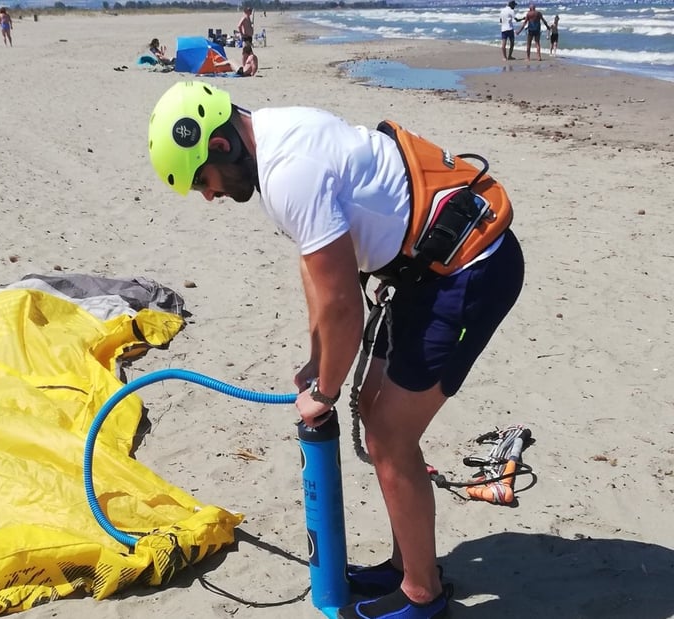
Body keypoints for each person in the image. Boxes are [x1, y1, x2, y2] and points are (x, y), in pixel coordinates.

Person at [147, 81, 525, 619]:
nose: (208, 196)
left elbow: (346, 305)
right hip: (425, 269)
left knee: (391, 434)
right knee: (373, 409)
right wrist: (316, 360)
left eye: (201, 181)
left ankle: (423, 597)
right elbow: (317, 272)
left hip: (471, 267)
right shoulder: (278, 134)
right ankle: (406, 566)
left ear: (221, 145)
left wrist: (325, 390)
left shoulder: (288, 172)